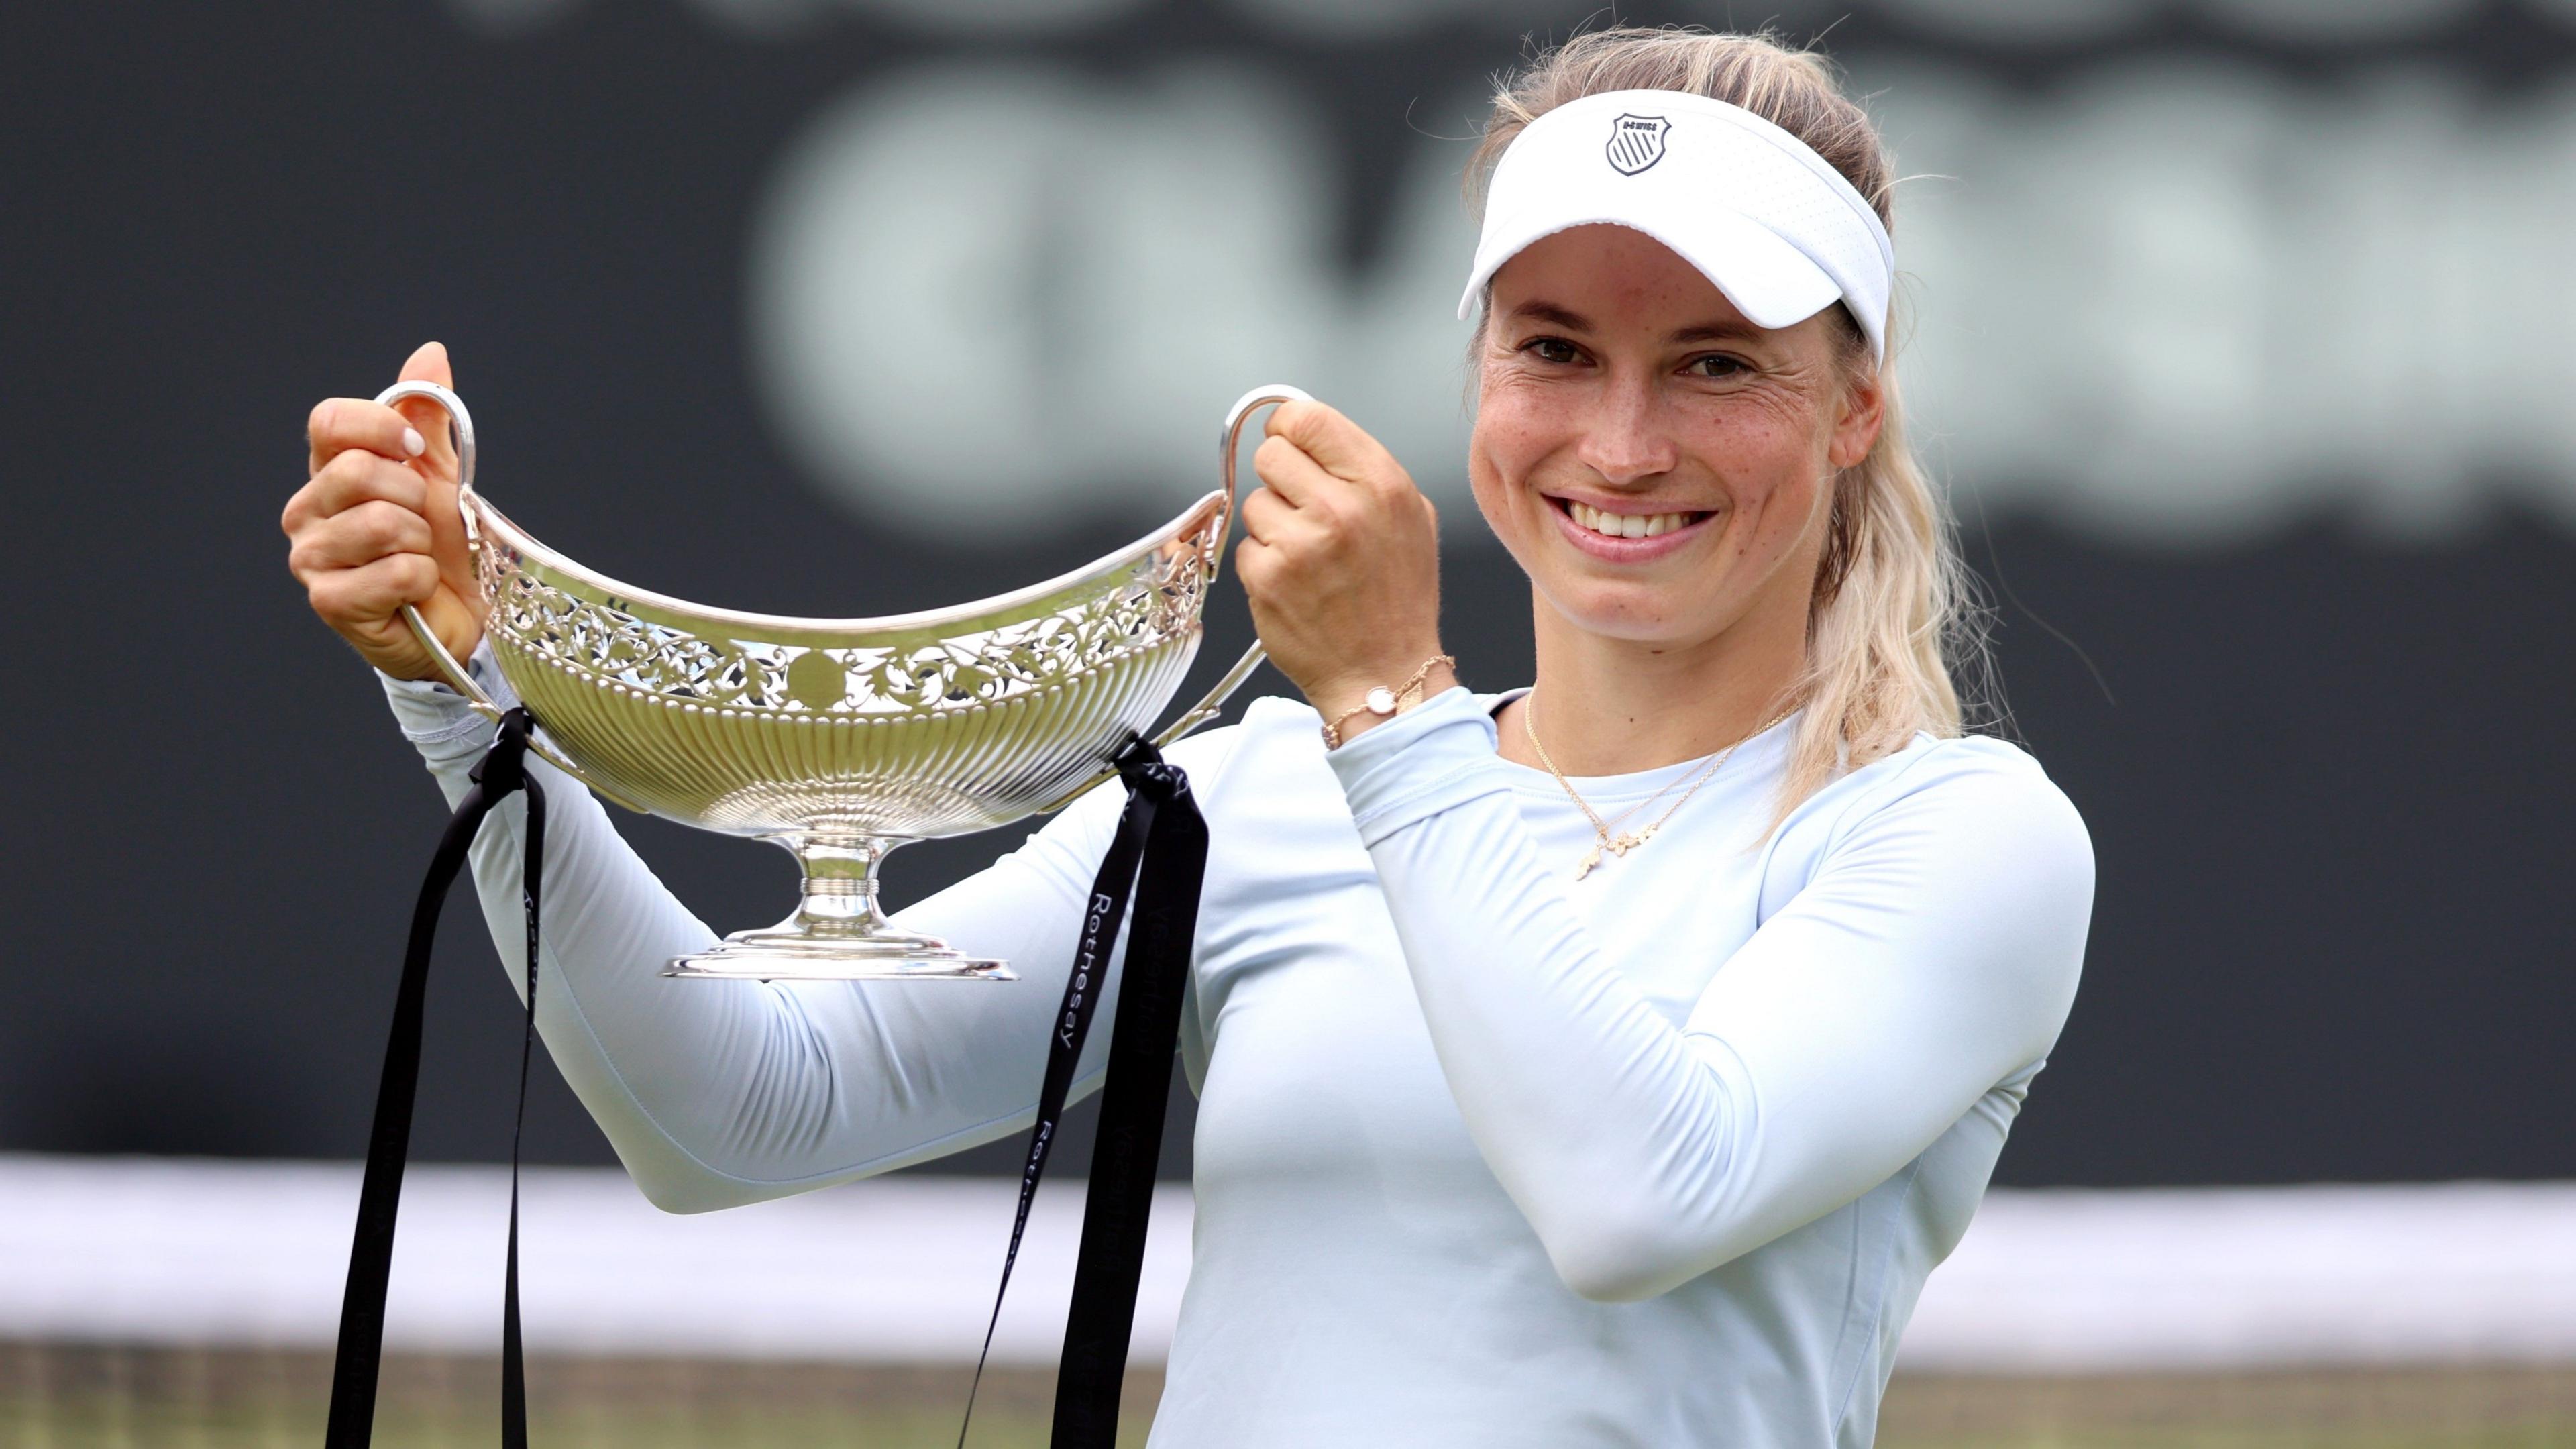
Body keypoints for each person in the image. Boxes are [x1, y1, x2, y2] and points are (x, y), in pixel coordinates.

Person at [281, 26, 2092, 1448]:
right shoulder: (1268, 793)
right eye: (1556, 349)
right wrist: (460, 693)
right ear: (1478, 375)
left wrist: (1390, 708)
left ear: (1853, 408)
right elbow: (746, 1113)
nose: (1622, 444)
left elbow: (1639, 1196)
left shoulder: (1952, 839)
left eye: (1714, 363)